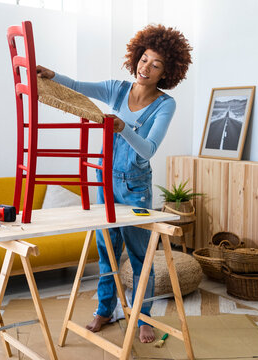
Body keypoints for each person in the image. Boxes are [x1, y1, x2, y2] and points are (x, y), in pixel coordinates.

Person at [37, 24, 191, 343]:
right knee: (106, 250)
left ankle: (142, 317)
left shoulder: (165, 105)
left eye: (156, 64)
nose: (145, 67)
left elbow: (148, 149)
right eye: (144, 59)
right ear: (137, 56)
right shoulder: (117, 89)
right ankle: (104, 310)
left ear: (167, 72)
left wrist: (122, 127)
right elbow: (79, 86)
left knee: (139, 255)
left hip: (134, 187)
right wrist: (53, 75)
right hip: (103, 180)